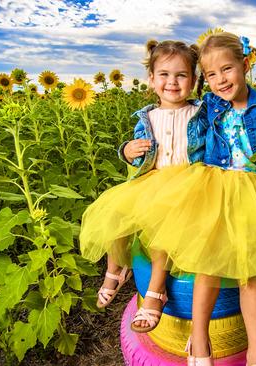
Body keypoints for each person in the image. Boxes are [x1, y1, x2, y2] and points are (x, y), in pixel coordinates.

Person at [136, 32, 256, 366]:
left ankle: (254, 353)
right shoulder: (209, 105)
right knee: (208, 266)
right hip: (213, 187)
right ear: (203, 80)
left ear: (245, 65)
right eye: (211, 74)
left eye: (227, 69)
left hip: (255, 190)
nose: (221, 80)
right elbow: (170, 115)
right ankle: (199, 340)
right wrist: (137, 146)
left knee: (251, 277)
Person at [79, 39, 207, 334]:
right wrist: (127, 151)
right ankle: (115, 269)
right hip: (152, 178)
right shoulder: (146, 117)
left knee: (163, 225)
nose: (172, 82)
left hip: (190, 182)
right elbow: (135, 153)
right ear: (151, 79)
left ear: (194, 80)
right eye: (163, 74)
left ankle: (156, 290)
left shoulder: (200, 112)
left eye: (181, 75)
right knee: (115, 210)